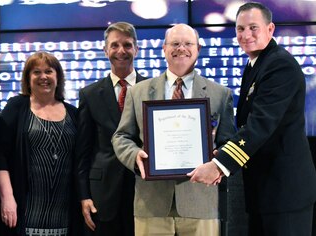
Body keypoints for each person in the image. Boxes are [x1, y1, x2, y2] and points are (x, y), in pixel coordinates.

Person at [187, 2, 316, 236]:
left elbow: (259, 125)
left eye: (253, 27)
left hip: (284, 193)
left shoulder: (279, 65)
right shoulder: (256, 63)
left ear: (270, 29)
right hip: (265, 189)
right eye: (240, 29)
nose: (246, 35)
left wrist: (220, 165)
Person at [111, 23, 235, 236]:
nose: (181, 48)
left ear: (198, 50)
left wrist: (217, 161)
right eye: (175, 43)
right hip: (152, 203)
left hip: (201, 203)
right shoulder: (138, 92)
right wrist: (134, 155)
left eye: (188, 44)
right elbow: (121, 136)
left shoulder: (219, 94)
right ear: (164, 49)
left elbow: (227, 142)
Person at [0, 51, 81, 236]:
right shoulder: (16, 107)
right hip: (23, 213)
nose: (43, 77)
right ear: (27, 78)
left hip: (64, 215)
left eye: (49, 71)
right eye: (36, 72)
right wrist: (7, 197)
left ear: (58, 77)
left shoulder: (74, 114)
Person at [76, 21, 146, 236]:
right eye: (114, 45)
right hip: (102, 195)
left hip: (144, 191)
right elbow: (83, 152)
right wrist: (84, 196)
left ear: (136, 48)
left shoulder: (153, 89)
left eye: (127, 45)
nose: (121, 51)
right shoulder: (89, 94)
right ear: (105, 49)